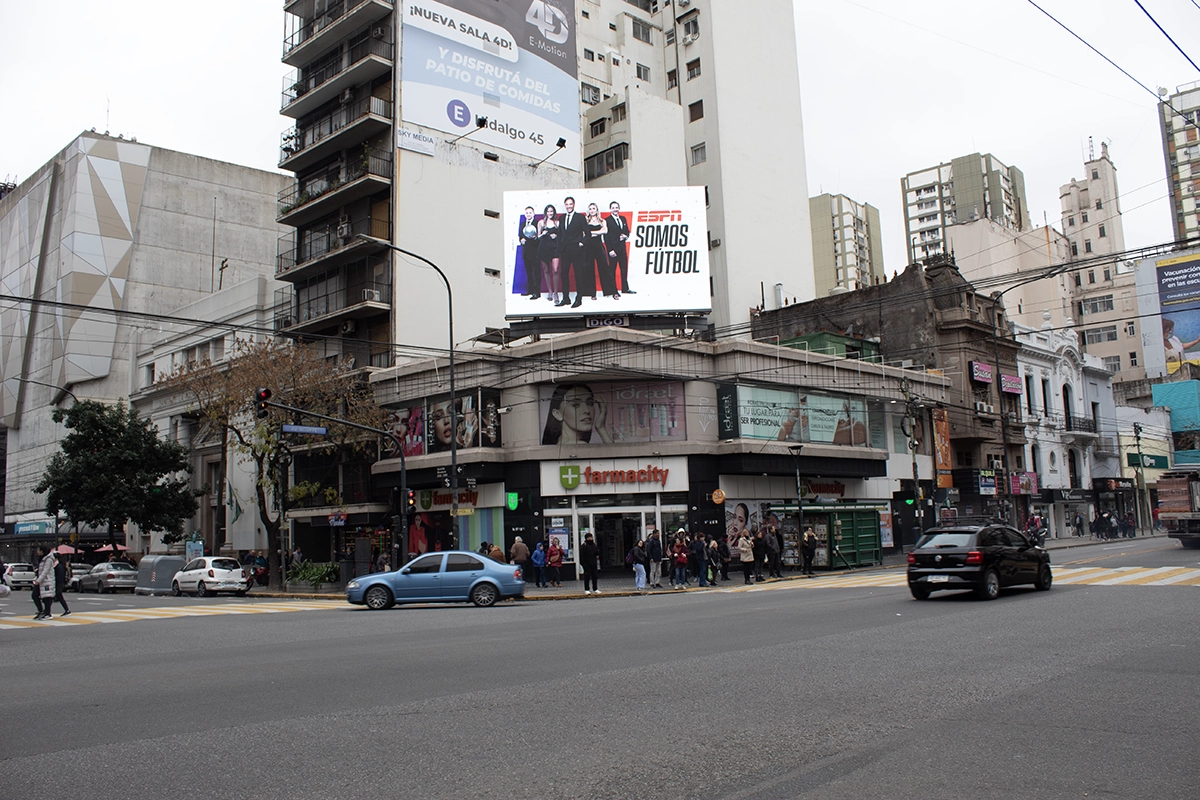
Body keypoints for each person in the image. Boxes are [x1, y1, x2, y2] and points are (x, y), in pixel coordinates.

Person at [541, 383, 612, 445]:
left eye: (590, 403)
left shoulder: (559, 443)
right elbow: (615, 455)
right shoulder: (580, 445)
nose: (587, 410)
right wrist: (601, 429)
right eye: (576, 405)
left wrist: (600, 427)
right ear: (557, 414)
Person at [559, 196, 591, 308]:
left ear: (574, 205)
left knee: (578, 275)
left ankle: (578, 299)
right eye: (567, 204)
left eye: (570, 204)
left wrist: (582, 243)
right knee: (564, 275)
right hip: (565, 251)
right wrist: (560, 247)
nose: (568, 206)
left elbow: (588, 233)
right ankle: (566, 298)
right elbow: (560, 234)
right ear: (565, 206)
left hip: (577, 251)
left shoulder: (580, 217)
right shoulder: (562, 218)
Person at [603, 201, 635, 295]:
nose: (615, 209)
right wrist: (610, 250)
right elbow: (606, 237)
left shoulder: (623, 218)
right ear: (610, 209)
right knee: (612, 270)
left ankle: (625, 289)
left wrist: (626, 236)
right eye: (613, 208)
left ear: (619, 208)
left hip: (622, 248)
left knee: (624, 269)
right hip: (613, 249)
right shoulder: (607, 221)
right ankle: (614, 291)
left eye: (616, 207)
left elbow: (627, 231)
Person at [585, 202, 614, 299]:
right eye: (590, 209)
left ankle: (611, 291)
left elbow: (605, 231)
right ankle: (592, 294)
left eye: (594, 208)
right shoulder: (585, 220)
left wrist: (591, 233)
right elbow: (584, 234)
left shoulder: (602, 221)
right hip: (588, 246)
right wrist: (598, 232)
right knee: (589, 269)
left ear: (597, 210)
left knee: (604, 268)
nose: (592, 210)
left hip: (598, 245)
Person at [538, 204, 563, 305]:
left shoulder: (557, 223)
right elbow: (538, 236)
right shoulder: (541, 222)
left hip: (555, 248)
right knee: (547, 270)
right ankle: (550, 291)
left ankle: (556, 293)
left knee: (555, 270)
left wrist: (556, 236)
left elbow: (562, 236)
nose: (550, 213)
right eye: (548, 211)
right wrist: (543, 234)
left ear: (554, 212)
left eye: (551, 211)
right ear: (545, 212)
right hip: (544, 248)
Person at [518, 205, 541, 299]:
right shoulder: (523, 224)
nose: (528, 214)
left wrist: (533, 238)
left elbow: (539, 238)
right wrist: (521, 240)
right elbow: (520, 236)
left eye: (530, 213)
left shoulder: (537, 223)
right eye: (527, 213)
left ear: (533, 214)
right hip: (526, 252)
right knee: (529, 273)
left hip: (535, 252)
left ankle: (537, 292)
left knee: (536, 273)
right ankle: (530, 290)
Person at [34, 546, 56, 620]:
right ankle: (42, 611)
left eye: (39, 550)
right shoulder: (43, 559)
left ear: (42, 551)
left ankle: (47, 613)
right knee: (35, 595)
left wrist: (38, 581)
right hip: (42, 581)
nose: (38, 552)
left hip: (47, 581)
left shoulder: (48, 559)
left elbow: (45, 571)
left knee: (47, 597)